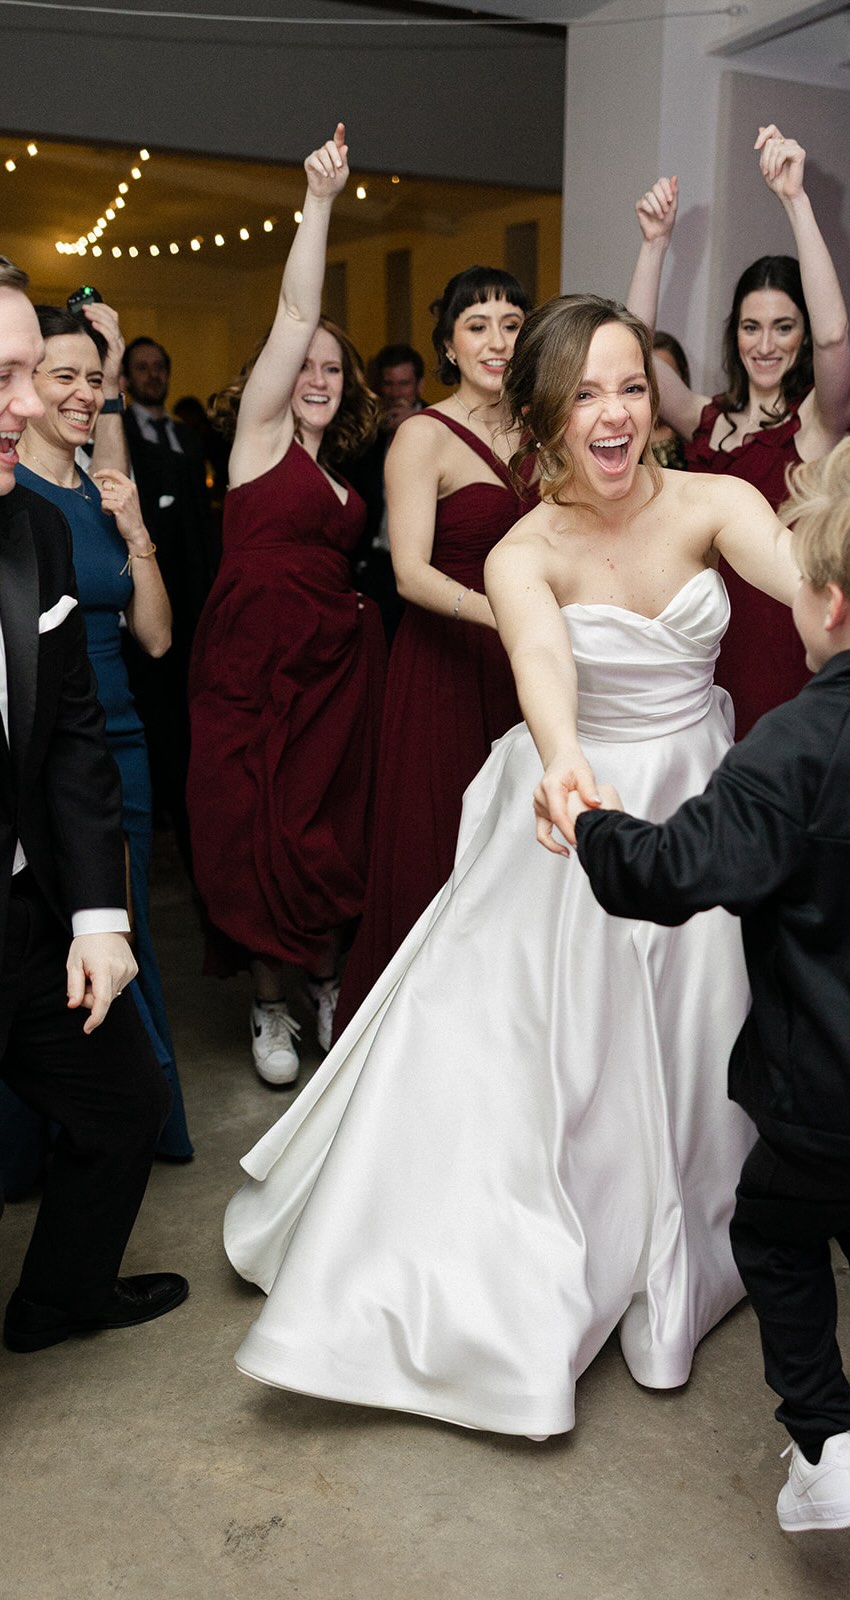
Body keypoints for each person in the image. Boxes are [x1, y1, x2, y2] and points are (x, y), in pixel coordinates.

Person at [223, 293, 804, 1438]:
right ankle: (521, 1274)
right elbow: (540, 658)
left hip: (700, 790)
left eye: (632, 385)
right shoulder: (524, 546)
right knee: (547, 1060)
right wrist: (567, 762)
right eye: (585, 391)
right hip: (572, 802)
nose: (615, 412)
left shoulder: (718, 502)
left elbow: (816, 591)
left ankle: (682, 1249)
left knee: (692, 1039)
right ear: (544, 413)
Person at [568, 432, 850, 1532]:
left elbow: (666, 877)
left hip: (825, 1099)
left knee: (776, 1229)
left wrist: (590, 820)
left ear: (833, 605)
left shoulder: (789, 749)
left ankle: (824, 1446)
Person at [0, 255, 187, 1350]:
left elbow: (72, 739)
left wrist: (99, 917)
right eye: (9, 376)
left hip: (31, 917)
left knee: (123, 1105)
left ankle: (60, 1296)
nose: (26, 406)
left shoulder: (36, 531)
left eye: (33, 375)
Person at [187, 123, 385, 1085]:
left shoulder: (345, 478)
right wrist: (319, 203)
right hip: (251, 675)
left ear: (346, 392)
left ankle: (324, 984)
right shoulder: (258, 444)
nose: (315, 375)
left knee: (329, 836)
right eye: (304, 361)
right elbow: (299, 304)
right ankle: (269, 1009)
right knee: (249, 836)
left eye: (331, 370)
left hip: (335, 682)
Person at [332, 265, 537, 1035]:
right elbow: (410, 572)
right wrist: (512, 616)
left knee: (518, 861)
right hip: (445, 668)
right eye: (477, 323)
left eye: (512, 322)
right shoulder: (421, 434)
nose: (496, 338)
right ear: (448, 344)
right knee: (441, 857)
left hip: (523, 672)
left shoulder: (539, 429)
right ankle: (417, 1050)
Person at [627, 126, 850, 736]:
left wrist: (795, 200)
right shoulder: (704, 417)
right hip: (698, 640)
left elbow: (837, 335)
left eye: (783, 327)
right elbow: (630, 348)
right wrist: (654, 246)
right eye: (751, 327)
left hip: (778, 644)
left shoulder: (818, 424)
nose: (765, 343)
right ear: (735, 334)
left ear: (802, 335)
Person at [122, 337, 217, 876]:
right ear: (129, 377)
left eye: (161, 367)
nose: (154, 375)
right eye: (144, 368)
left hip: (191, 590)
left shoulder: (186, 435)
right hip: (147, 587)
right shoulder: (124, 435)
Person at [346, 342, 427, 645]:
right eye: (389, 384)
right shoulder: (367, 435)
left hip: (425, 564)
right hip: (376, 564)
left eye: (403, 384)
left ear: (419, 385)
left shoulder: (439, 428)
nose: (395, 393)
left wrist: (416, 427)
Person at [650, 330, 690, 469]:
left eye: (667, 377)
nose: (656, 386)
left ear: (682, 377)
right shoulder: (625, 435)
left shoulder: (696, 434)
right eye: (648, 376)